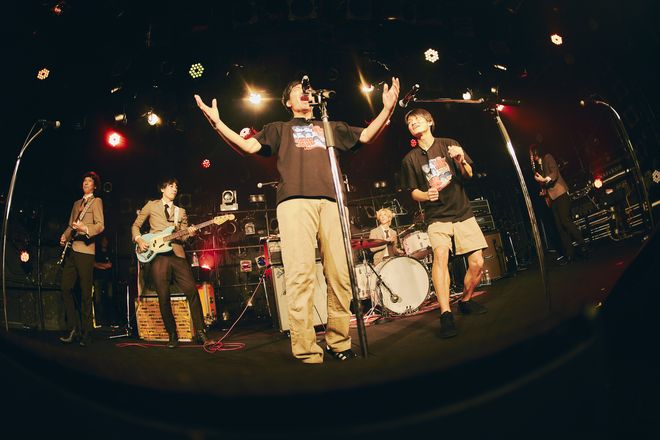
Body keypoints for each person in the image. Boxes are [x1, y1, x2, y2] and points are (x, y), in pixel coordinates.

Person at [195, 76, 400, 363]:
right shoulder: (279, 128)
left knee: (341, 276)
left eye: (308, 90)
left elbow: (365, 136)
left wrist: (387, 109)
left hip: (332, 202)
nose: (305, 92)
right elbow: (248, 147)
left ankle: (339, 342)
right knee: (300, 276)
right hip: (294, 203)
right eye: (298, 90)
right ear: (288, 102)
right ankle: (306, 349)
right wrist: (217, 123)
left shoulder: (329, 126)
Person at [400, 108, 488, 339]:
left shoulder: (449, 144)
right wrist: (425, 195)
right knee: (440, 256)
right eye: (409, 122)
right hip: (437, 216)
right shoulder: (410, 159)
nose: (413, 123)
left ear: (430, 122)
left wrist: (461, 160)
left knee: (478, 262)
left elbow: (468, 174)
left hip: (462, 211)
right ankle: (445, 314)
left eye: (418, 119)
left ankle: (465, 301)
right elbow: (412, 192)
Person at [132, 178, 212, 348]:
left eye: (176, 187)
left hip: (177, 254)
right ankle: (172, 335)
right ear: (162, 189)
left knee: (192, 291)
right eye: (171, 186)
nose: (174, 189)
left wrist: (190, 233)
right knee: (163, 296)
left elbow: (182, 236)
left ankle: (200, 332)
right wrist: (139, 240)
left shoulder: (180, 212)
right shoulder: (151, 205)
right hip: (158, 256)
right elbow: (136, 226)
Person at [59, 171, 105, 346]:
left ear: (94, 186)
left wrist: (85, 228)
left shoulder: (96, 201)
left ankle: (87, 332)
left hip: (86, 251)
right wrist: (64, 236)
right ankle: (74, 328)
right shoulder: (76, 203)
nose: (86, 183)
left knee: (86, 293)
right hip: (72, 250)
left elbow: (100, 225)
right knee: (65, 287)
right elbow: (71, 226)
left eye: (89, 181)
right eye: (84, 180)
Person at [530, 143, 586, 264]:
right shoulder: (539, 167)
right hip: (552, 198)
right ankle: (570, 253)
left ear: (536, 152)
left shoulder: (548, 157)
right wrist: (543, 191)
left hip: (560, 193)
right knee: (560, 227)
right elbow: (546, 184)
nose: (531, 157)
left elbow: (554, 173)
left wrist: (544, 179)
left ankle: (583, 244)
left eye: (531, 154)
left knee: (565, 221)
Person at [93, 234, 115, 327]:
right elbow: (93, 264)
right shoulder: (97, 252)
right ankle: (99, 321)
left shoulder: (110, 252)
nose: (104, 242)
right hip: (98, 278)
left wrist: (100, 265)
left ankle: (109, 321)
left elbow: (110, 265)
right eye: (103, 240)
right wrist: (104, 266)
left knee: (109, 298)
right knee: (98, 300)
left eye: (106, 241)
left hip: (108, 279)